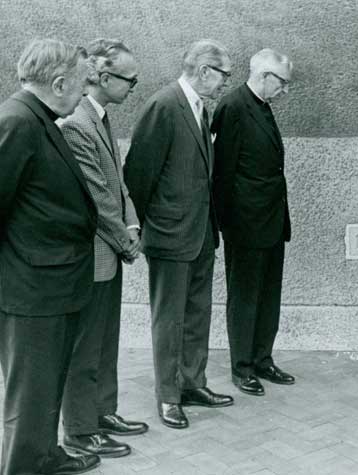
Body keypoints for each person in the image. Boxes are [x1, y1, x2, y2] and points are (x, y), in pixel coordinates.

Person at [0, 39, 101, 475]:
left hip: (52, 289)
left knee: (46, 388)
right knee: (29, 397)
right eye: (81, 87)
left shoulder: (38, 119)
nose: (83, 95)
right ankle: (23, 465)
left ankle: (45, 456)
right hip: (32, 293)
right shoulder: (17, 122)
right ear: (59, 83)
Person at [124, 40, 234, 430]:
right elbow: (137, 174)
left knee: (197, 314)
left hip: (201, 234)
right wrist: (139, 227)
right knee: (169, 319)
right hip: (171, 236)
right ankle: (168, 396)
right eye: (224, 74)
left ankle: (192, 383)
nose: (225, 83)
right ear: (204, 70)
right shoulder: (164, 106)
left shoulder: (200, 108)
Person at [59, 38, 148, 459]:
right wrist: (126, 239)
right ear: (103, 76)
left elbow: (118, 182)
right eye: (129, 78)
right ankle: (79, 430)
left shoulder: (102, 117)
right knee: (84, 347)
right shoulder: (77, 122)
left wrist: (132, 223)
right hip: (92, 257)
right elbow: (97, 197)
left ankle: (103, 412)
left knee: (106, 340)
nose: (134, 85)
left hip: (109, 252)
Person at [211, 49, 296, 397]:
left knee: (268, 295)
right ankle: (242, 366)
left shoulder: (261, 105)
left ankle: (262, 358)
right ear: (263, 76)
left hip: (271, 221)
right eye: (282, 83)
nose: (285, 90)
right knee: (245, 297)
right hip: (246, 224)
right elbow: (223, 172)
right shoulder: (233, 106)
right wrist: (225, 224)